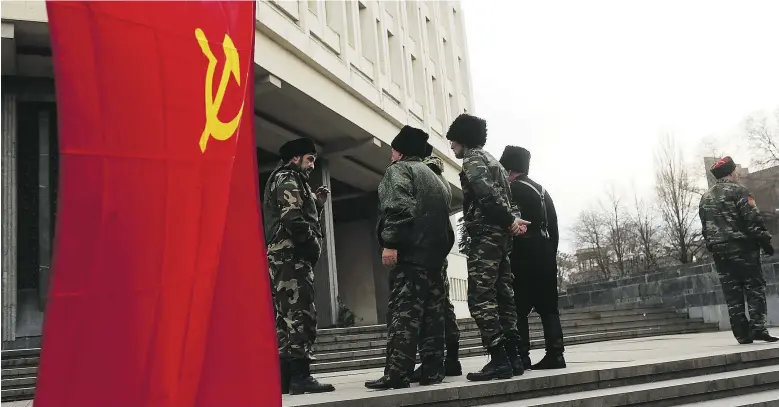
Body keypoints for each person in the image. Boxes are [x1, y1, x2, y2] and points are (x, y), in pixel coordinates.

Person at [366, 126, 454, 389]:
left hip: (411, 257)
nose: (391, 153)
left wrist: (390, 243)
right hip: (435, 260)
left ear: (399, 151)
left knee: (403, 315)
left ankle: (397, 374)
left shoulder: (399, 170)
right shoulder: (435, 176)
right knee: (432, 317)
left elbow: (400, 209)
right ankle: (432, 371)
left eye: (393, 149)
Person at [446, 113, 529, 381]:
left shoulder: (473, 159)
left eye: (453, 141)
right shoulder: (494, 160)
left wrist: (507, 220)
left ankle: (499, 358)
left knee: (480, 298)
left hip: (486, 236)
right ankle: (515, 358)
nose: (451, 147)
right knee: (504, 296)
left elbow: (485, 194)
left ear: (462, 139)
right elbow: (507, 197)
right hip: (502, 237)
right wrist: (512, 222)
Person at [262, 137, 335, 395]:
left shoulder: (287, 180)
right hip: (291, 257)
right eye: (310, 159)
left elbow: (296, 214)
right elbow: (292, 217)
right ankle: (301, 378)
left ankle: (285, 380)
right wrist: (312, 244)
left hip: (283, 258)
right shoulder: (288, 178)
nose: (313, 165)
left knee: (285, 319)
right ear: (295, 159)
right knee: (301, 316)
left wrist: (316, 204)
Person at [500, 146, 566, 370]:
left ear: (509, 169)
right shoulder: (542, 191)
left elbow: (513, 226)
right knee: (549, 307)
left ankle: (522, 355)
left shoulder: (512, 190)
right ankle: (556, 354)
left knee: (518, 307)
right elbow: (555, 229)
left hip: (524, 255)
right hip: (546, 252)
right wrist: (550, 254)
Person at [699, 156, 777, 344]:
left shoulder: (706, 197)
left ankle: (741, 333)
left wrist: (713, 245)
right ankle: (757, 328)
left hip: (720, 251)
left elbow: (705, 226)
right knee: (754, 287)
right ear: (731, 172)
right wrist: (765, 241)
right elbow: (752, 218)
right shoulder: (739, 191)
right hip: (743, 248)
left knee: (732, 291)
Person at [409, 143, 462, 383]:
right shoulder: (440, 177)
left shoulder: (423, 174)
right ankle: (452, 359)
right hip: (440, 247)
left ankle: (435, 362)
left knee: (432, 308)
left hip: (428, 249)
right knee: (444, 305)